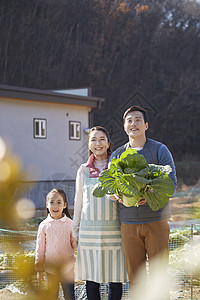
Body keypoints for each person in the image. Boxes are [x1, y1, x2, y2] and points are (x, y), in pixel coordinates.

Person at [109, 106, 177, 290]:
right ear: (124, 126)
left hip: (157, 220)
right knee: (136, 279)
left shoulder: (160, 150)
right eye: (129, 120)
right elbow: (109, 186)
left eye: (138, 120)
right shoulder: (117, 155)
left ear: (146, 125)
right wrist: (117, 194)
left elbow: (172, 183)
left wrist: (149, 195)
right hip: (129, 223)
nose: (134, 123)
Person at [72, 126, 128, 300]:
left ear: (109, 143)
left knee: (115, 279)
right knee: (91, 280)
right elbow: (78, 201)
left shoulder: (117, 166)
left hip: (114, 230)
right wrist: (75, 230)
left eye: (102, 139)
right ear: (89, 144)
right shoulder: (83, 170)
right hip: (89, 231)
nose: (98, 143)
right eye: (93, 139)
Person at [35, 188, 77, 300]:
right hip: (50, 269)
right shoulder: (44, 225)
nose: (55, 206)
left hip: (67, 268)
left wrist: (78, 239)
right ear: (47, 205)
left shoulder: (70, 223)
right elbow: (40, 249)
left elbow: (74, 244)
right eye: (52, 202)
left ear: (65, 205)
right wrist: (39, 270)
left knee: (70, 296)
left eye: (59, 202)